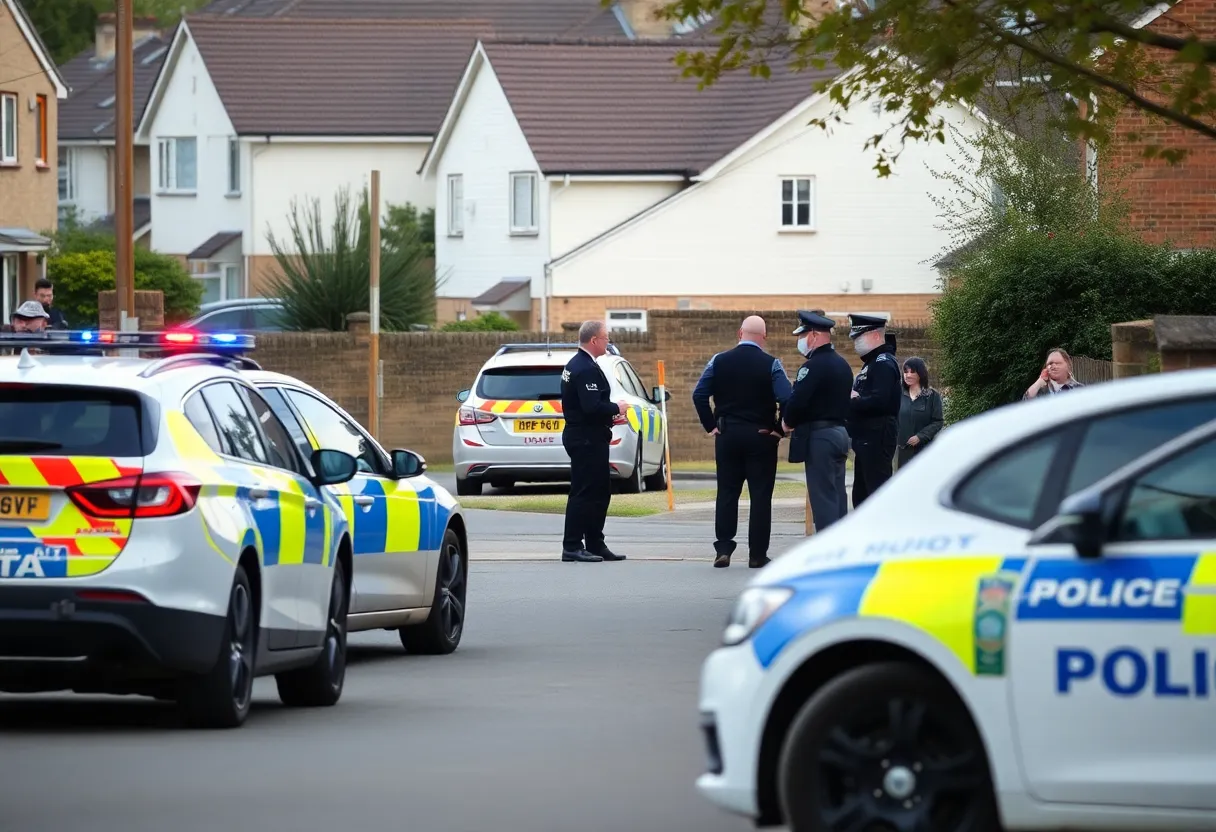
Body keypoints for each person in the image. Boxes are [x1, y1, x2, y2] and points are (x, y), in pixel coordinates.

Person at [693, 315, 792, 569]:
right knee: (760, 496)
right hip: (761, 436)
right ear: (764, 337)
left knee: (727, 492)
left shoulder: (718, 361)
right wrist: (780, 428)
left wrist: (711, 426)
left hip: (727, 436)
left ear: (740, 333)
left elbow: (699, 394)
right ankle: (757, 555)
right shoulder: (772, 364)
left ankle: (723, 548)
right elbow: (788, 398)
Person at [559, 320, 630, 563]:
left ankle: (595, 543)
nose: (608, 342)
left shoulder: (580, 364)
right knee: (585, 491)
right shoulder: (584, 368)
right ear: (594, 341)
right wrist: (616, 408)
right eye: (606, 338)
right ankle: (572, 545)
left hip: (589, 437)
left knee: (600, 491)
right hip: (586, 438)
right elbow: (591, 407)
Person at [781, 310, 854, 532]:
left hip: (820, 436)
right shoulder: (842, 364)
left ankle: (829, 549)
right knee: (837, 495)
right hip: (840, 433)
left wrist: (786, 422)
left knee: (823, 499)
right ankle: (840, 543)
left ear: (813, 335)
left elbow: (798, 400)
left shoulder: (812, 367)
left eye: (802, 336)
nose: (801, 342)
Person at [846, 313, 902, 508]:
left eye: (859, 337)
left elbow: (880, 400)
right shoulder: (871, 363)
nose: (855, 342)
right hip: (866, 437)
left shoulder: (883, 363)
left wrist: (854, 401)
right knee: (862, 495)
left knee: (875, 495)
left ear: (876, 336)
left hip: (877, 435)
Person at [896, 356, 945, 469]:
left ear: (921, 373)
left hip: (925, 451)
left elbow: (938, 421)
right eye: (905, 372)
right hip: (902, 452)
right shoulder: (897, 395)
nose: (908, 375)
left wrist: (920, 436)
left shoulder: (932, 396)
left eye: (912, 372)